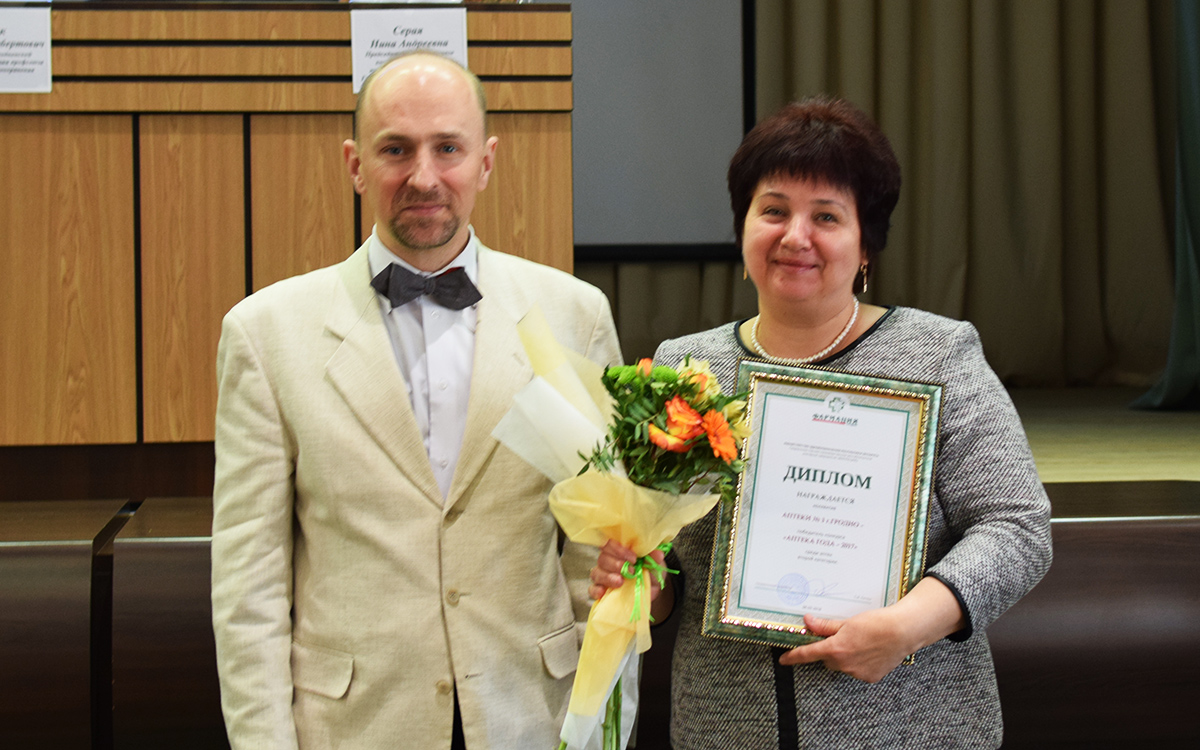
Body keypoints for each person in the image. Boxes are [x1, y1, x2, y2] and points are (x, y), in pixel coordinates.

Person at [590, 97, 1052, 748]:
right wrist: (639, 578)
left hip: (906, 727)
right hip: (727, 728)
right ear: (743, 227)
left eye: (827, 216)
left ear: (867, 245)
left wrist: (907, 627)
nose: (795, 236)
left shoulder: (937, 355)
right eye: (773, 210)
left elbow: (1017, 528)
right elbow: (676, 575)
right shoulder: (687, 367)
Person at [211, 51, 622, 750]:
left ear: (486, 162)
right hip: (352, 727)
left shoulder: (574, 315)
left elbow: (600, 555)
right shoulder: (264, 333)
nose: (424, 177)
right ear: (355, 165)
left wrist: (597, 728)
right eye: (396, 149)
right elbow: (248, 586)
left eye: (448, 149)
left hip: (531, 717)